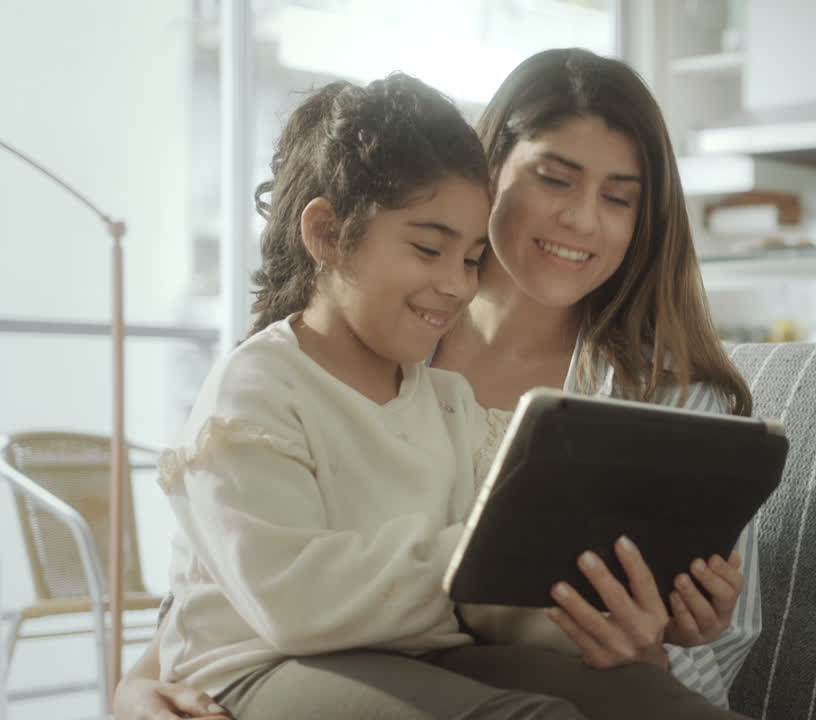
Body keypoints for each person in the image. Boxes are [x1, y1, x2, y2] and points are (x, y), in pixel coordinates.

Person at [115, 48, 760, 720]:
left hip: (432, 655)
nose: (583, 220)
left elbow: (503, 592)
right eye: (554, 178)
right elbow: (231, 587)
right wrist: (131, 689)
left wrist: (641, 630)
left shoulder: (454, 396)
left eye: (619, 198)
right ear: (493, 172)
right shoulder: (309, 363)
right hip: (290, 663)